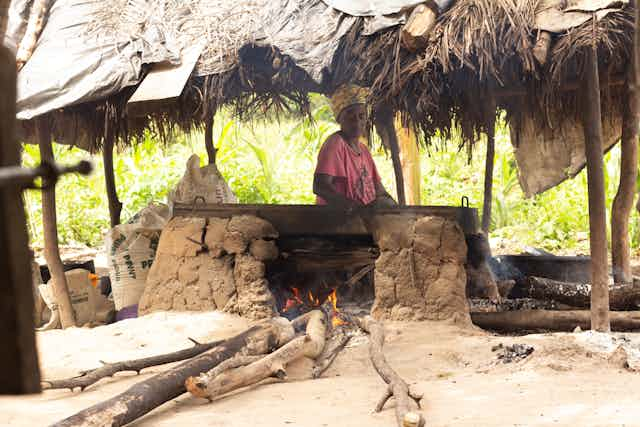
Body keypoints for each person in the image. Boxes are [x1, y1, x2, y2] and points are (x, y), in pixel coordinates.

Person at [313, 85, 397, 211]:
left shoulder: (363, 150)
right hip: (339, 224)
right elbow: (320, 186)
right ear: (339, 119)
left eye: (361, 116)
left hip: (361, 222)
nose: (357, 122)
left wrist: (393, 205)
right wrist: (353, 208)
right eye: (350, 117)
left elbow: (378, 189)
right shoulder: (335, 145)